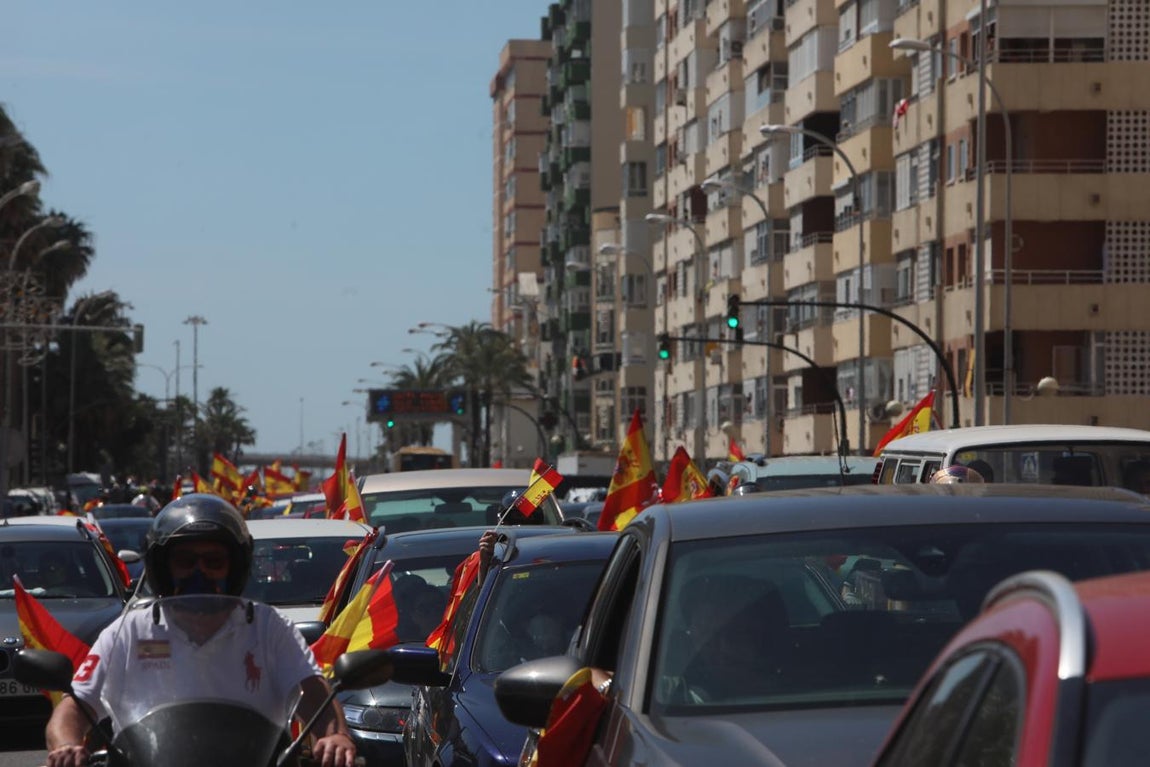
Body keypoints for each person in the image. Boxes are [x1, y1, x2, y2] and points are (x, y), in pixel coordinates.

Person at [44, 494, 357, 767]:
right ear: (163, 566)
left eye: (213, 561)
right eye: (185, 561)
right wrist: (66, 747)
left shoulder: (268, 628)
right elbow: (75, 706)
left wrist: (335, 738)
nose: (200, 572)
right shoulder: (128, 632)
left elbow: (313, 692)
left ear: (234, 566)